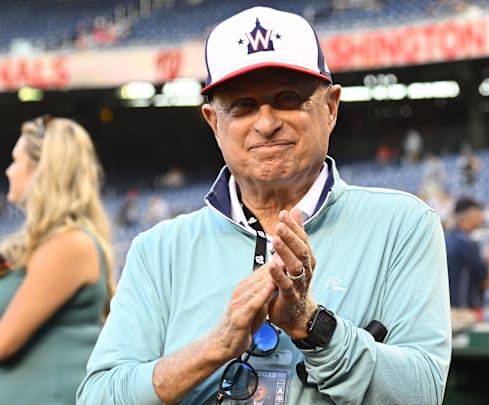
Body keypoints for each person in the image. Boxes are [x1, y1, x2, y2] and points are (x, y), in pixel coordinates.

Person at [78, 6, 451, 405]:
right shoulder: (159, 250)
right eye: (242, 106)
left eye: (288, 99)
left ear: (330, 108)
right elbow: (99, 397)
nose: (267, 122)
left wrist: (312, 325)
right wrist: (215, 348)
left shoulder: (403, 225)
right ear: (213, 122)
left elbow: (422, 394)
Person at [0, 116, 115, 403]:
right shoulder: (42, 244)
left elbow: (3, 342)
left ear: (42, 170)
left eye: (16, 160)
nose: (8, 170)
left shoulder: (70, 245)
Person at [446, 197, 489, 310]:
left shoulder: (450, 238)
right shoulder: (464, 243)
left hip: (448, 308)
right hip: (462, 311)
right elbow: (487, 283)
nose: (481, 216)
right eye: (478, 212)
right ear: (469, 215)